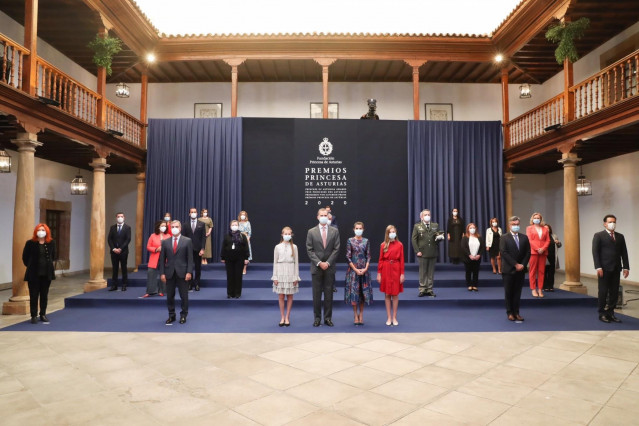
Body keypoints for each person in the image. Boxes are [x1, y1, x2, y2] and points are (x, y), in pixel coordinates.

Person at [306, 208, 341, 327]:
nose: (324, 217)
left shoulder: (334, 231)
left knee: (328, 294)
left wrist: (328, 263)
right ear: (317, 217)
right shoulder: (311, 232)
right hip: (317, 267)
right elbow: (309, 250)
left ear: (329, 217)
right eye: (321, 215)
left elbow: (336, 249)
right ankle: (317, 318)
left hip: (329, 268)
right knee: (316, 295)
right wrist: (319, 262)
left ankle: (327, 318)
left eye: (325, 215)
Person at [592, 214, 630, 323]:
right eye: (609, 222)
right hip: (603, 269)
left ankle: (611, 313)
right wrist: (598, 266)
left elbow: (624, 253)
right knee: (603, 292)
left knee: (614, 292)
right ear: (605, 223)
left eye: (614, 222)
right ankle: (602, 313)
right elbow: (595, 252)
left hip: (616, 268)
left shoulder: (620, 236)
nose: (612, 224)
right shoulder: (598, 236)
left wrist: (626, 267)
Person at [159, 221, 194, 325]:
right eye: (172, 227)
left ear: (180, 228)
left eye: (176, 226)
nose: (174, 228)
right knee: (170, 296)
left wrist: (189, 272)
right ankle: (171, 315)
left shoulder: (187, 241)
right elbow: (162, 260)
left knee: (184, 296)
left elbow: (190, 259)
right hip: (169, 273)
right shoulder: (165, 242)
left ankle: (183, 315)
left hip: (183, 273)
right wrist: (162, 273)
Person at [22, 224, 56, 324]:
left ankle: (43, 314)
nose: (41, 231)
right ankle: (33, 315)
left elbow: (53, 256)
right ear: (36, 232)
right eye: (39, 230)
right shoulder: (30, 243)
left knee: (44, 295)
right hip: (33, 274)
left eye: (43, 230)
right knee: (33, 295)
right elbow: (25, 258)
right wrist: (31, 266)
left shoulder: (51, 243)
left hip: (46, 274)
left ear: (47, 232)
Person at [500, 216, 530, 322]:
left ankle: (516, 312)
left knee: (518, 292)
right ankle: (509, 313)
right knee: (509, 292)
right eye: (513, 224)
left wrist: (523, 264)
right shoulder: (504, 237)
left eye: (517, 224)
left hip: (521, 269)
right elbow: (504, 253)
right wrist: (515, 264)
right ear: (509, 225)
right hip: (508, 269)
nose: (516, 226)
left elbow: (528, 253)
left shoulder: (524, 237)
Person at [411, 209, 445, 297]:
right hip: (422, 253)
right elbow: (414, 240)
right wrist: (417, 251)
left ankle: (429, 289)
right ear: (421, 217)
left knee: (431, 272)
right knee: (423, 272)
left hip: (432, 252)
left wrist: (440, 238)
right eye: (425, 214)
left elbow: (436, 239)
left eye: (429, 214)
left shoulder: (435, 225)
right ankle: (422, 289)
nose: (427, 216)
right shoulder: (417, 226)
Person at [272, 227, 300, 327]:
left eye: (289, 234)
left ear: (291, 235)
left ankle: (287, 316)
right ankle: (282, 317)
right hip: (280, 272)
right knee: (281, 295)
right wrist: (275, 276)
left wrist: (296, 276)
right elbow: (275, 262)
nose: (287, 235)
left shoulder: (295, 247)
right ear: (282, 234)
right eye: (285, 233)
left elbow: (296, 263)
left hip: (291, 272)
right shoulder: (277, 247)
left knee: (290, 295)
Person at [345, 222, 372, 326]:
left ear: (363, 229)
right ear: (354, 229)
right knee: (354, 294)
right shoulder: (350, 241)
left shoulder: (366, 241)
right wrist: (355, 269)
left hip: (364, 271)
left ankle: (361, 315)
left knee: (362, 294)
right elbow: (348, 256)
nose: (358, 229)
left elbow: (368, 256)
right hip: (353, 271)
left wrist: (366, 268)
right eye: (357, 228)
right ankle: (355, 315)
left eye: (360, 228)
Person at [377, 225, 405, 326]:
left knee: (395, 294)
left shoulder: (400, 245)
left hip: (396, 269)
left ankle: (394, 317)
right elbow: (380, 260)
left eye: (394, 231)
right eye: (390, 232)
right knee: (387, 294)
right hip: (386, 269)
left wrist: (402, 273)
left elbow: (402, 260)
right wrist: (379, 273)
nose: (392, 233)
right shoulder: (383, 245)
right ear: (387, 233)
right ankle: (389, 317)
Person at [221, 220, 250, 298]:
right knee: (230, 276)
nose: (234, 226)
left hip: (239, 259)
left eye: (236, 225)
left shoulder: (242, 236)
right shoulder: (227, 236)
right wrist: (222, 257)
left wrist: (246, 257)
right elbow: (224, 247)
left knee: (238, 276)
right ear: (230, 227)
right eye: (233, 225)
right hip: (229, 259)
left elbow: (246, 247)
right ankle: (230, 293)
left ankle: (237, 293)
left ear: (238, 226)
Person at [526, 212, 550, 298]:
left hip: (543, 252)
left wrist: (543, 248)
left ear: (540, 219)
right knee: (532, 271)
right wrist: (537, 249)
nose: (536, 219)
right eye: (535, 217)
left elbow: (548, 240)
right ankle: (533, 289)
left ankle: (540, 289)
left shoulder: (545, 229)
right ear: (532, 219)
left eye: (538, 218)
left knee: (541, 271)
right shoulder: (529, 228)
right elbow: (529, 240)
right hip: (533, 252)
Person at [182, 207, 206, 291]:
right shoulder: (185, 225)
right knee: (189, 267)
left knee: (198, 267)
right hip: (188, 249)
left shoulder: (202, 224)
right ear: (189, 214)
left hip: (198, 249)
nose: (193, 213)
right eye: (191, 212)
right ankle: (190, 283)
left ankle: (197, 284)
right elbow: (183, 237)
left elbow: (203, 238)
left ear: (197, 213)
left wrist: (202, 248)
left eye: (194, 212)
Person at [143, 221, 170, 298]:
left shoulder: (168, 236)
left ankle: (162, 291)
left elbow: (171, 247)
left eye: (165, 226)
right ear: (158, 226)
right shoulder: (153, 236)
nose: (164, 227)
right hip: (154, 257)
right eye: (162, 226)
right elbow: (148, 246)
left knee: (164, 274)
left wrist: (164, 249)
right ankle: (150, 291)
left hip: (165, 258)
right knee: (151, 273)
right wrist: (156, 249)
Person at [107, 212, 131, 291]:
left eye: (121, 216)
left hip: (123, 252)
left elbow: (128, 239)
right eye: (118, 216)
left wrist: (120, 248)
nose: (120, 218)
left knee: (124, 268)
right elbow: (109, 239)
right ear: (116, 218)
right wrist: (113, 248)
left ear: (124, 218)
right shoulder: (112, 227)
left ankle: (124, 285)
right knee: (115, 269)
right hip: (114, 252)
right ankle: (114, 285)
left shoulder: (127, 228)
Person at [461, 223, 484, 291]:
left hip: (477, 258)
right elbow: (463, 248)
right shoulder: (465, 238)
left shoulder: (479, 237)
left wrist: (479, 255)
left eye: (473, 228)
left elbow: (482, 247)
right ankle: (469, 285)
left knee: (476, 272)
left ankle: (475, 285)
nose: (472, 229)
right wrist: (469, 255)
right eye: (470, 228)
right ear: (468, 229)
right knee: (468, 272)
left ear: (476, 229)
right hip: (468, 258)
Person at [543, 224, 562, 292]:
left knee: (551, 272)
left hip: (553, 256)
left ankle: (551, 286)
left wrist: (558, 242)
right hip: (544, 257)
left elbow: (559, 245)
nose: (547, 230)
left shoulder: (554, 236)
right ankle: (545, 286)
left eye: (548, 228)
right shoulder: (541, 236)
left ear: (550, 229)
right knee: (544, 272)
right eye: (545, 228)